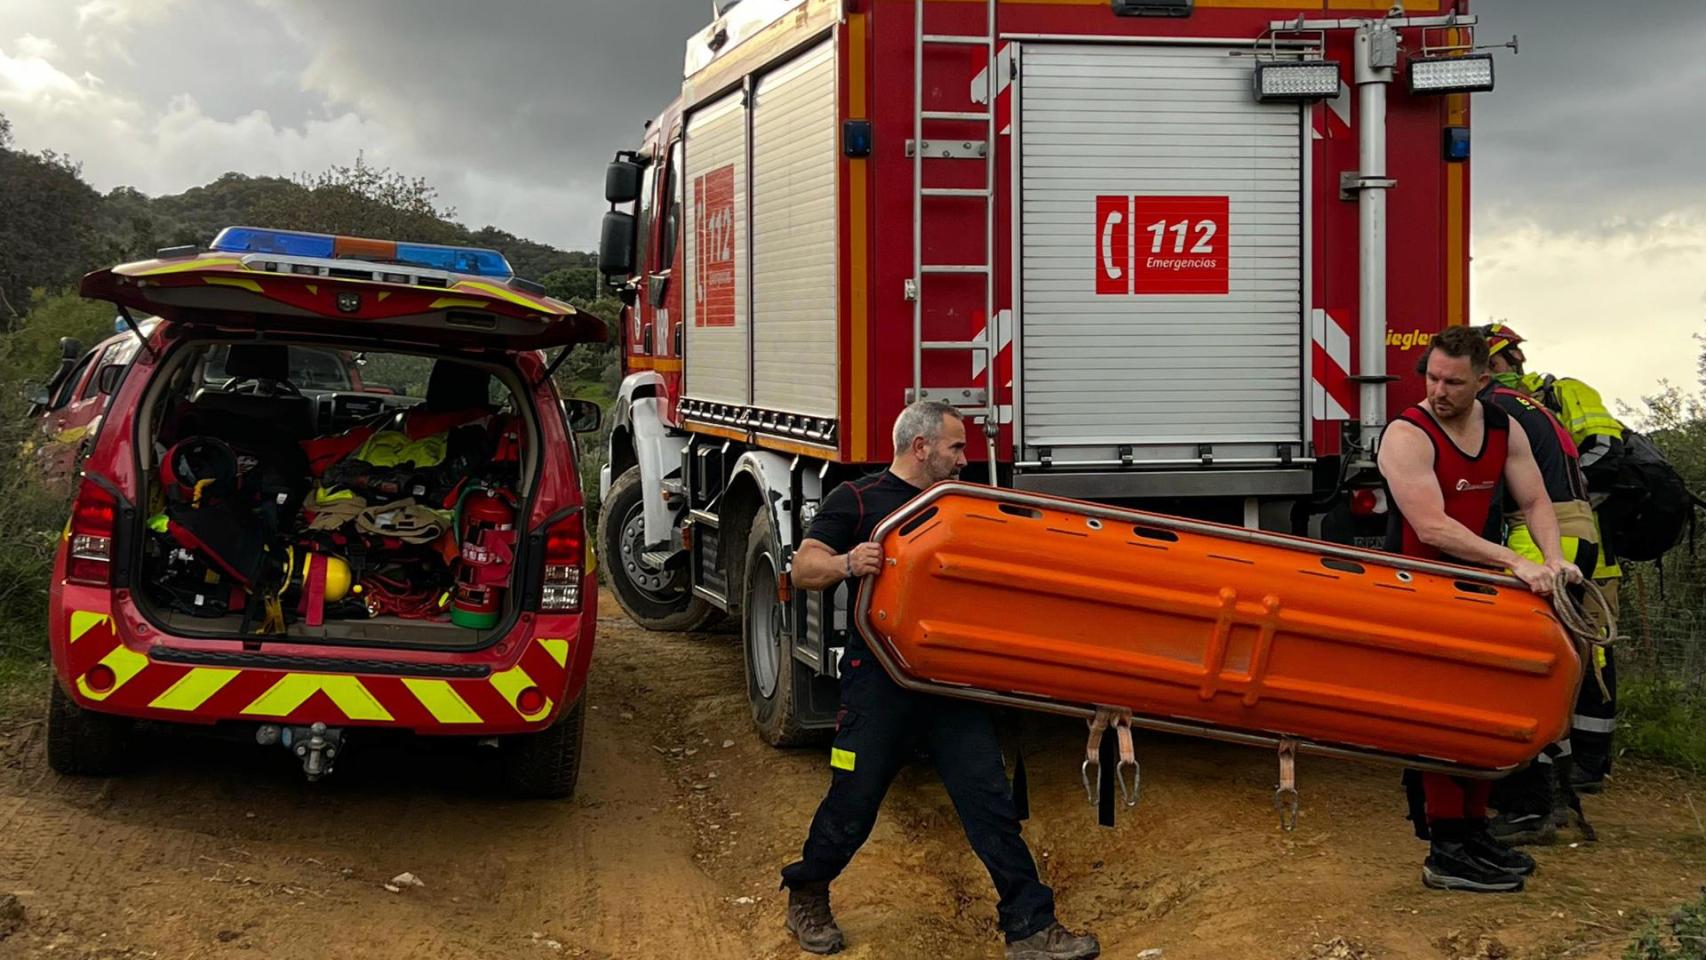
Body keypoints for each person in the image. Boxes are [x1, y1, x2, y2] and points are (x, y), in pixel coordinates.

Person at [779, 400, 1100, 959]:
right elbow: (804, 568)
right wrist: (849, 564)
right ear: (920, 446)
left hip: (950, 684)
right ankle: (807, 890)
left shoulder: (964, 505)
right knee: (852, 804)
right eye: (955, 446)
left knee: (990, 804)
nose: (964, 458)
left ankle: (1030, 927)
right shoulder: (857, 499)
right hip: (878, 681)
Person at [1379, 326, 1581, 893]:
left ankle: (1473, 832)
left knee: (1481, 712)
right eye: (1432, 377)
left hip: (1479, 595)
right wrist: (1513, 563)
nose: (1438, 390)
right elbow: (1431, 525)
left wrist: (1553, 558)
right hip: (1421, 592)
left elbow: (1536, 499)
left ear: (1483, 381)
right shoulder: (1407, 434)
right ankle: (1445, 850)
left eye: (1453, 382)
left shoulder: (1503, 426)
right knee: (1441, 722)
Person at [1464, 332, 1600, 844]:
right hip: (1577, 532)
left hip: (1543, 538)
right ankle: (1556, 798)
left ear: (1482, 369)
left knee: (1515, 667)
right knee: (1552, 669)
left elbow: (1493, 488)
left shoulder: (1495, 410)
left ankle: (1530, 807)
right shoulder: (1528, 403)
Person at [1483, 323, 1621, 794]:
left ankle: (1554, 782)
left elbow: (1608, 452)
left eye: (1495, 364)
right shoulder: (1534, 407)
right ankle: (1571, 773)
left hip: (1557, 536)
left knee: (1551, 653)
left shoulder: (1539, 399)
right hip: (1576, 536)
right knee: (1578, 653)